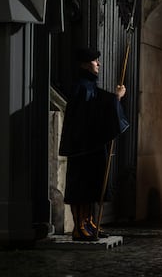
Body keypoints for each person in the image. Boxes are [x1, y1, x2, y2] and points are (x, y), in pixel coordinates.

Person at [59, 47, 129, 241]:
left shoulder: (88, 85)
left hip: (90, 146)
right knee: (81, 187)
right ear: (84, 64)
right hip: (82, 147)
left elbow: (97, 103)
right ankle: (79, 227)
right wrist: (116, 99)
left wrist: (113, 99)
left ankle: (88, 222)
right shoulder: (81, 86)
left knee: (91, 186)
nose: (98, 64)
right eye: (94, 61)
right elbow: (91, 111)